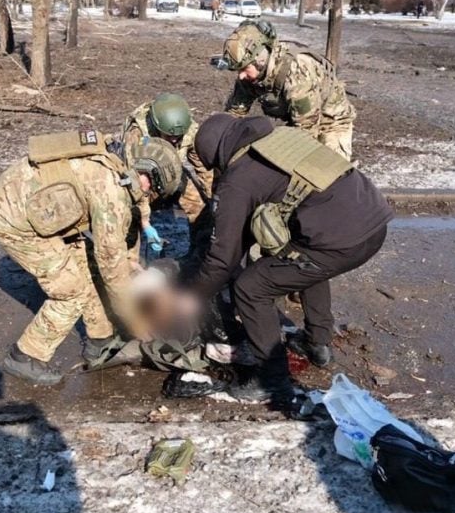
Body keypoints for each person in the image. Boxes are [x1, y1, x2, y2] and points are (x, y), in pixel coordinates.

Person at [189, 113, 393, 404]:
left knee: (251, 287)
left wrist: (193, 295)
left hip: (342, 241)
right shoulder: (280, 139)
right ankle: (317, 343)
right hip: (373, 221)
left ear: (218, 154)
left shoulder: (238, 179)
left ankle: (270, 380)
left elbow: (222, 260)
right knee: (301, 259)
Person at [0, 132, 183, 385]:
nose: (151, 197)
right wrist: (136, 322)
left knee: (88, 263)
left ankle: (99, 340)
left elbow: (112, 245)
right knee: (71, 292)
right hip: (15, 222)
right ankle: (25, 356)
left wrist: (131, 255)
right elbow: (112, 271)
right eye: (154, 191)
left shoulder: (120, 161)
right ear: (148, 179)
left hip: (32, 201)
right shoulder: (112, 193)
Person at [219, 20, 357, 160]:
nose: (241, 75)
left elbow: (307, 131)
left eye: (244, 69)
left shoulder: (297, 72)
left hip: (331, 122)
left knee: (325, 172)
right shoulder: (249, 75)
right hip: (299, 119)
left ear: (260, 60)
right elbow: (234, 113)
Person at [122, 93, 212, 267]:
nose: (174, 140)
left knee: (200, 207)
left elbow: (202, 168)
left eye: (178, 137)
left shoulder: (189, 131)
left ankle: (199, 255)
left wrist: (213, 198)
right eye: (169, 136)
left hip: (172, 173)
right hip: (143, 177)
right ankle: (131, 266)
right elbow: (133, 178)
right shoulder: (136, 135)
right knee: (132, 215)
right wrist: (145, 221)